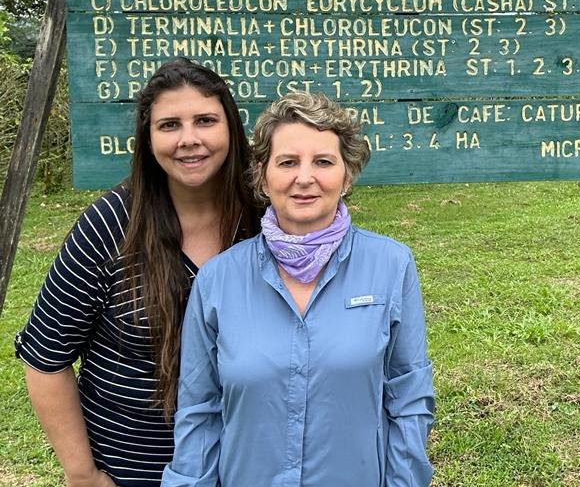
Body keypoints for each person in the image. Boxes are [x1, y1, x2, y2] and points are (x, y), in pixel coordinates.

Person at [163, 91, 434, 487]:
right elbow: (199, 413)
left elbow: (409, 401)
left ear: (347, 174)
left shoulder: (391, 266)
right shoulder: (217, 281)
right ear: (263, 174)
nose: (304, 178)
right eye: (287, 162)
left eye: (323, 162)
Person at [15, 58, 260, 487]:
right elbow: (45, 357)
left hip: (247, 465)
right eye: (169, 125)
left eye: (205, 120)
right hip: (134, 472)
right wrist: (83, 474)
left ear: (231, 128)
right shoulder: (111, 225)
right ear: (147, 138)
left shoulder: (263, 223)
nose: (189, 139)